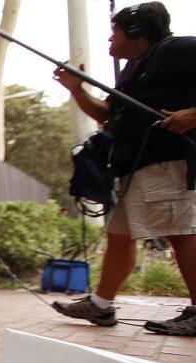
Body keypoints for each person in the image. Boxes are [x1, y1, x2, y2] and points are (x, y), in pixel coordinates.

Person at [51, 2, 196, 335]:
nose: (109, 39)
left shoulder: (180, 49)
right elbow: (106, 115)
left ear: (135, 32)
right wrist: (77, 89)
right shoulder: (133, 70)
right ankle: (101, 306)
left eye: (114, 31)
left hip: (168, 160)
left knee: (182, 233)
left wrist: (193, 114)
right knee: (120, 235)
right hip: (136, 165)